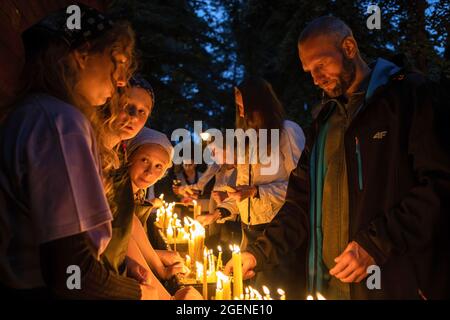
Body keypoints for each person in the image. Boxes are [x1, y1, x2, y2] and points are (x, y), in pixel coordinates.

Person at [226, 16, 450, 300]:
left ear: (348, 47)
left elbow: (440, 185)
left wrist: (376, 243)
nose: (316, 78)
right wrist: (258, 253)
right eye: (309, 71)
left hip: (394, 284)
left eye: (321, 65)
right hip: (330, 286)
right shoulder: (324, 122)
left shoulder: (409, 98)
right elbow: (299, 203)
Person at [0, 5, 158, 299]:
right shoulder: (60, 123)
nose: (122, 81)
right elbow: (71, 271)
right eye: (117, 61)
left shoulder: (33, 112)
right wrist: (144, 294)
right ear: (82, 54)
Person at [208, 77, 306, 297]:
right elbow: (244, 190)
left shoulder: (287, 132)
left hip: (278, 233)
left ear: (262, 105)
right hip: (248, 233)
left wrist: (257, 191)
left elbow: (302, 187)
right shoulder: (246, 140)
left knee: (274, 293)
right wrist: (226, 203)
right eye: (239, 108)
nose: (242, 114)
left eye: (246, 108)